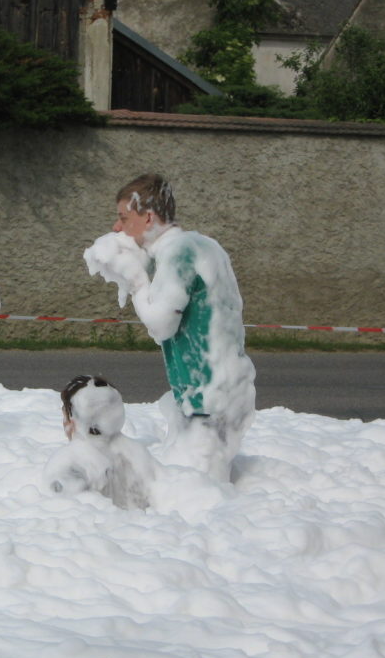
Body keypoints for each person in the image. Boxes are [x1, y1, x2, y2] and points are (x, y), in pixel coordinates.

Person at [84, 173, 256, 483]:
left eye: (124, 217)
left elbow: (161, 324)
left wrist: (135, 280)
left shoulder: (179, 251)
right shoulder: (204, 245)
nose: (116, 227)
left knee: (199, 496)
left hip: (206, 401)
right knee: (202, 488)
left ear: (148, 218)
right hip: (224, 393)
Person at [43, 375, 160, 509]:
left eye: (66, 416)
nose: (64, 423)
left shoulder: (68, 465)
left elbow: (64, 511)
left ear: (75, 420)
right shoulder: (138, 454)